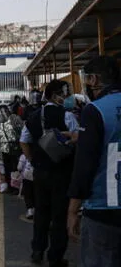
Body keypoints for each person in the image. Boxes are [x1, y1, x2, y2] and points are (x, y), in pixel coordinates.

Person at [67, 56, 121, 267]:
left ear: (94, 79)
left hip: (103, 207)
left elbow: (84, 165)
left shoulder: (95, 110)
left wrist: (73, 209)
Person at [19, 80, 79, 267]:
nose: (68, 98)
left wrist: (32, 161)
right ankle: (55, 256)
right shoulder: (68, 116)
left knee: (41, 213)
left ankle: (37, 251)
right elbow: (78, 139)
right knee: (59, 216)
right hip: (62, 172)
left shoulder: (34, 116)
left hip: (40, 173)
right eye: (65, 94)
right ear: (55, 95)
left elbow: (24, 141)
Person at [0, 105, 24, 193]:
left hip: (15, 147)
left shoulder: (15, 118)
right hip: (5, 148)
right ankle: (11, 186)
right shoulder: (0, 122)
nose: (2, 114)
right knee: (8, 168)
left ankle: (15, 186)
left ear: (7, 111)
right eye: (0, 113)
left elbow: (21, 131)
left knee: (15, 167)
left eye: (3, 112)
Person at [17, 153, 35, 219]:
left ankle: (30, 210)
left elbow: (19, 167)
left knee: (28, 194)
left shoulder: (24, 155)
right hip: (37, 175)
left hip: (27, 175)